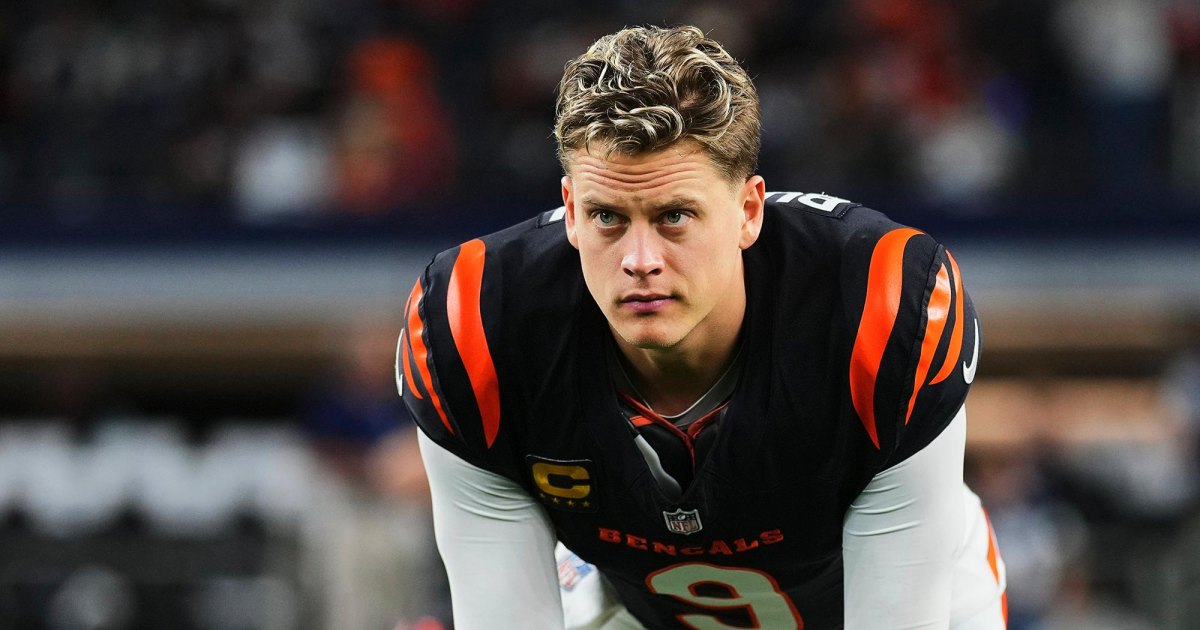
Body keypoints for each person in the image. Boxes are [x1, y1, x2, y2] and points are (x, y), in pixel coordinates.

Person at [398, 25, 1007, 629]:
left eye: (674, 216)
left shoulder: (877, 303)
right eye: (607, 217)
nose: (640, 260)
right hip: (635, 607)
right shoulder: (479, 324)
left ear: (748, 211)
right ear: (572, 211)